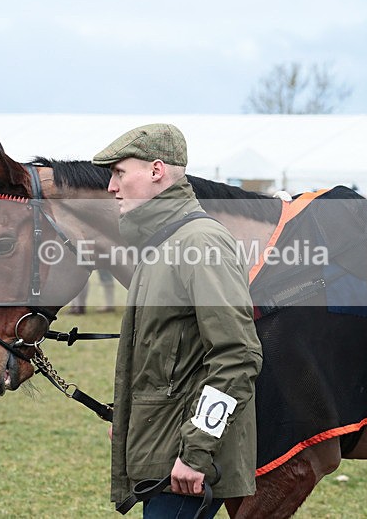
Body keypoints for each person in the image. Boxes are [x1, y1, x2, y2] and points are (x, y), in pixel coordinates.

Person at [92, 124, 263, 518]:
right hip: (164, 450)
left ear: (156, 171)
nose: (111, 188)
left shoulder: (199, 243)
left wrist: (196, 450)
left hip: (186, 465)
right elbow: (164, 356)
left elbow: (238, 355)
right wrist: (130, 420)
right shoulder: (162, 244)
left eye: (119, 173)